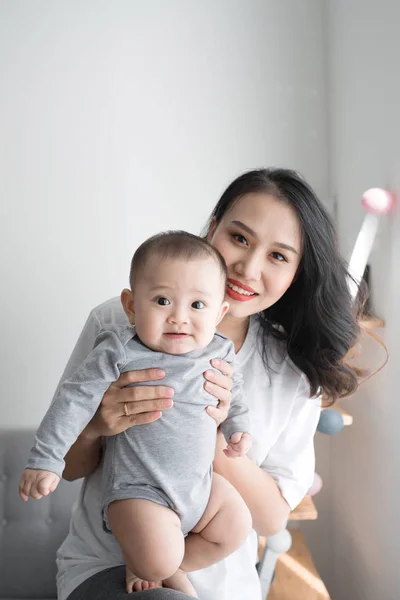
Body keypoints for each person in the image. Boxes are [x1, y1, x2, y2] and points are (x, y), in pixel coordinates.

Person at [56, 168, 361, 600]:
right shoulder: (119, 322)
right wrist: (95, 427)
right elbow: (66, 467)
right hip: (109, 567)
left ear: (296, 273)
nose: (247, 267)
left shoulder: (291, 370)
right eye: (239, 238)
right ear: (213, 229)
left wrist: (212, 432)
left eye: (278, 256)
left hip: (220, 581)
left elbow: (272, 518)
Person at [19, 232, 253, 597]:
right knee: (155, 559)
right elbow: (73, 400)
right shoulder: (120, 350)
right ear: (131, 306)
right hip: (140, 490)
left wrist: (239, 426)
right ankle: (154, 565)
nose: (179, 317)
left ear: (219, 312)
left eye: (197, 305)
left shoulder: (219, 350)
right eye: (162, 300)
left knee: (237, 526)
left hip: (200, 487)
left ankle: (171, 566)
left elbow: (235, 393)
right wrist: (45, 459)